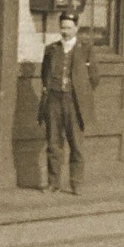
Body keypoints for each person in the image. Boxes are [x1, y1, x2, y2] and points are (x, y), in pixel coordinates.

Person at [38, 10, 98, 193]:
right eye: (62, 27)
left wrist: (80, 93)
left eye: (69, 28)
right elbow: (44, 74)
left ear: (77, 28)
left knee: (76, 145)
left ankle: (76, 183)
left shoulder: (86, 49)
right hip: (54, 100)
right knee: (54, 143)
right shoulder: (51, 49)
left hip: (74, 102)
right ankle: (53, 183)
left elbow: (94, 78)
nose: (65, 31)